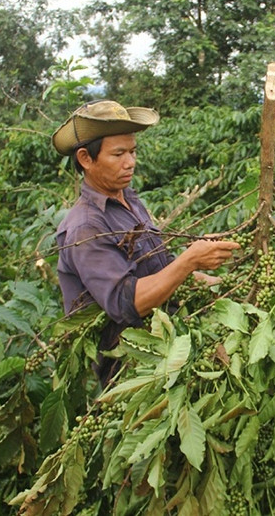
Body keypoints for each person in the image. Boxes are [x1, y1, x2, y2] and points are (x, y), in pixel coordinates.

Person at [51, 100, 239, 386]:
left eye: (133, 151)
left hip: (169, 348)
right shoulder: (86, 227)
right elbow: (127, 303)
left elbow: (157, 272)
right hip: (133, 370)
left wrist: (213, 280)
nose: (131, 162)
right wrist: (190, 260)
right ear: (85, 159)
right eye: (118, 154)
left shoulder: (127, 198)